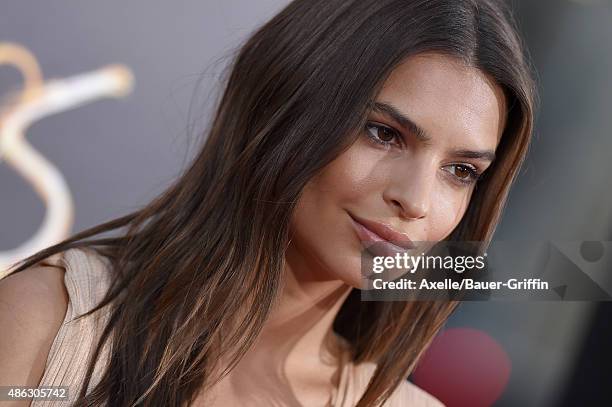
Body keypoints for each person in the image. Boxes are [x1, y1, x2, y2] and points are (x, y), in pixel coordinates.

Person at [0, 0, 536, 405]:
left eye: (460, 172)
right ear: (285, 107)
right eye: (383, 133)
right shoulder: (50, 324)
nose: (416, 201)